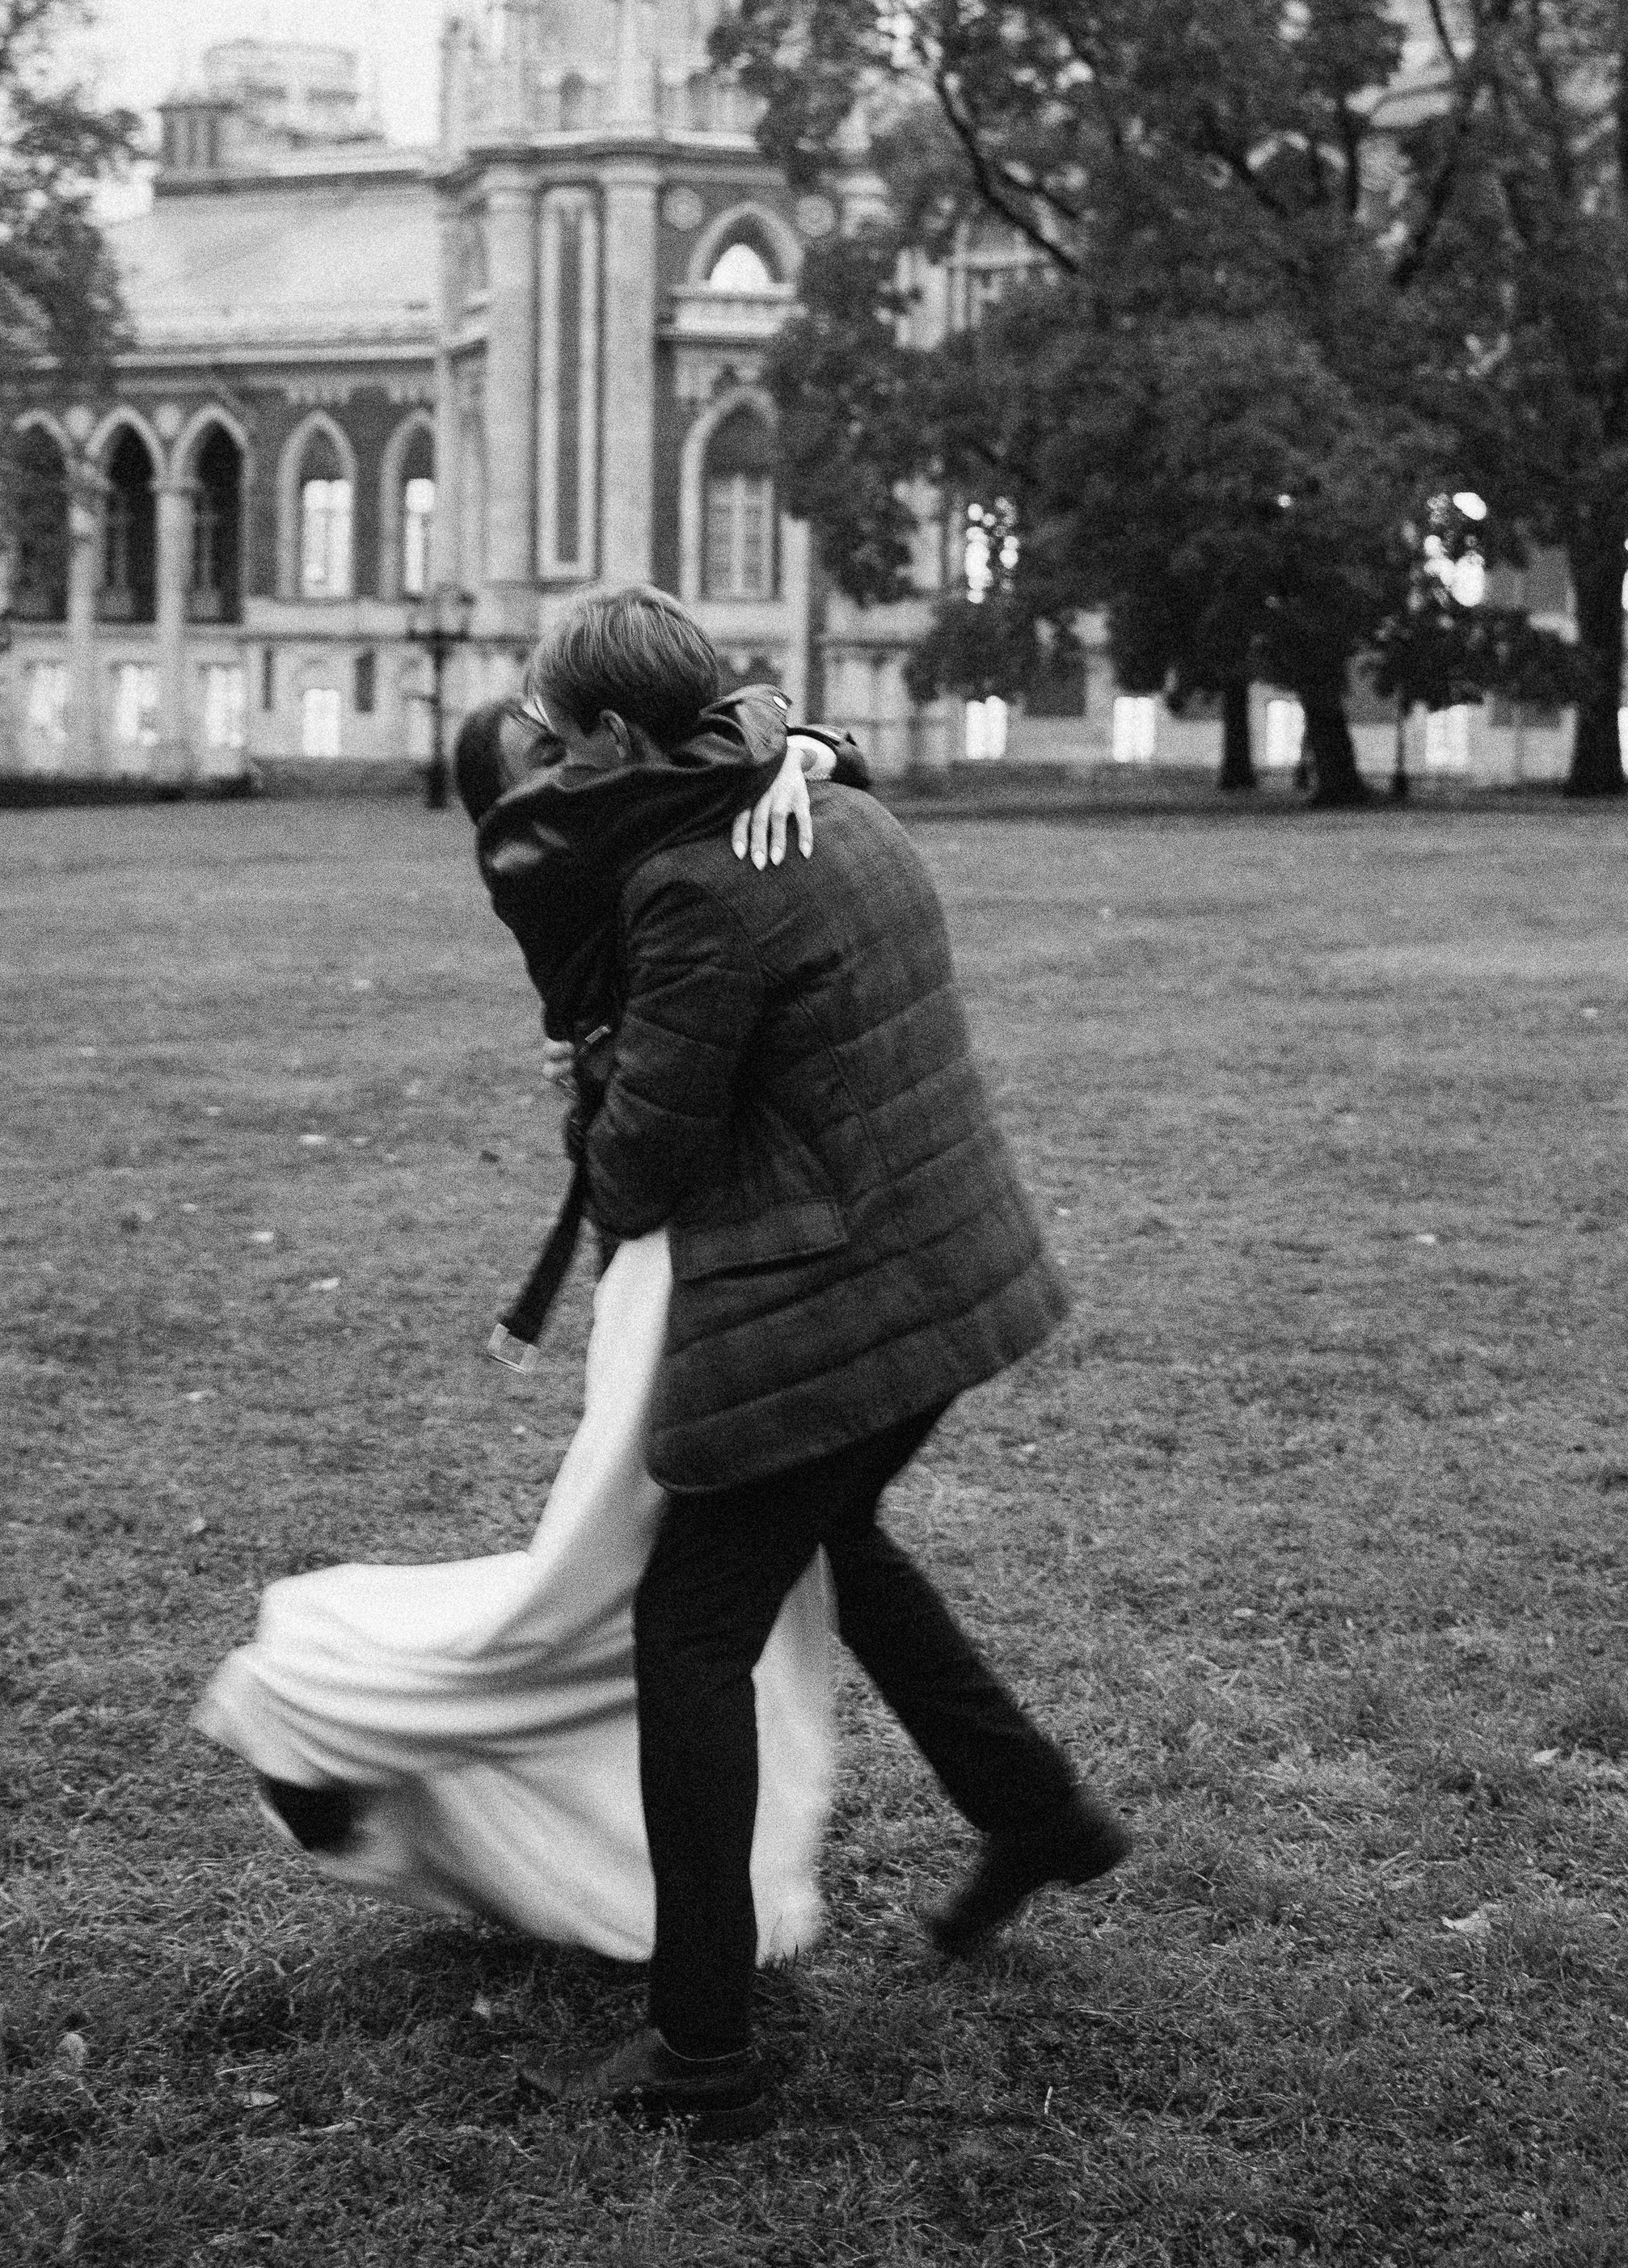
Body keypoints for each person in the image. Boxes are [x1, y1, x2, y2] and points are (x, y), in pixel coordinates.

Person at [514, 588, 1129, 2145]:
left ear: (607, 732)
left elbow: (642, 1171)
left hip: (848, 1300)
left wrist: (584, 1070)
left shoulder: (704, 883)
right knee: (834, 1542)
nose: (545, 766)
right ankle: (1037, 1815)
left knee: (693, 1630)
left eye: (553, 736)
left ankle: (703, 2046)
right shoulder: (830, 799)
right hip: (948, 1268)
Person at [192, 680, 846, 1979]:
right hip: (680, 1248)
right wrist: (787, 743)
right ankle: (317, 1703)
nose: (581, 759)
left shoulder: (598, 845)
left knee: (738, 1567)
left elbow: (721, 751)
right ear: (521, 803)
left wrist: (802, 744)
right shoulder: (561, 863)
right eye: (546, 754)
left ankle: (1008, 1812)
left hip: (707, 1248)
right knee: (633, 1595)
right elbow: (712, 762)